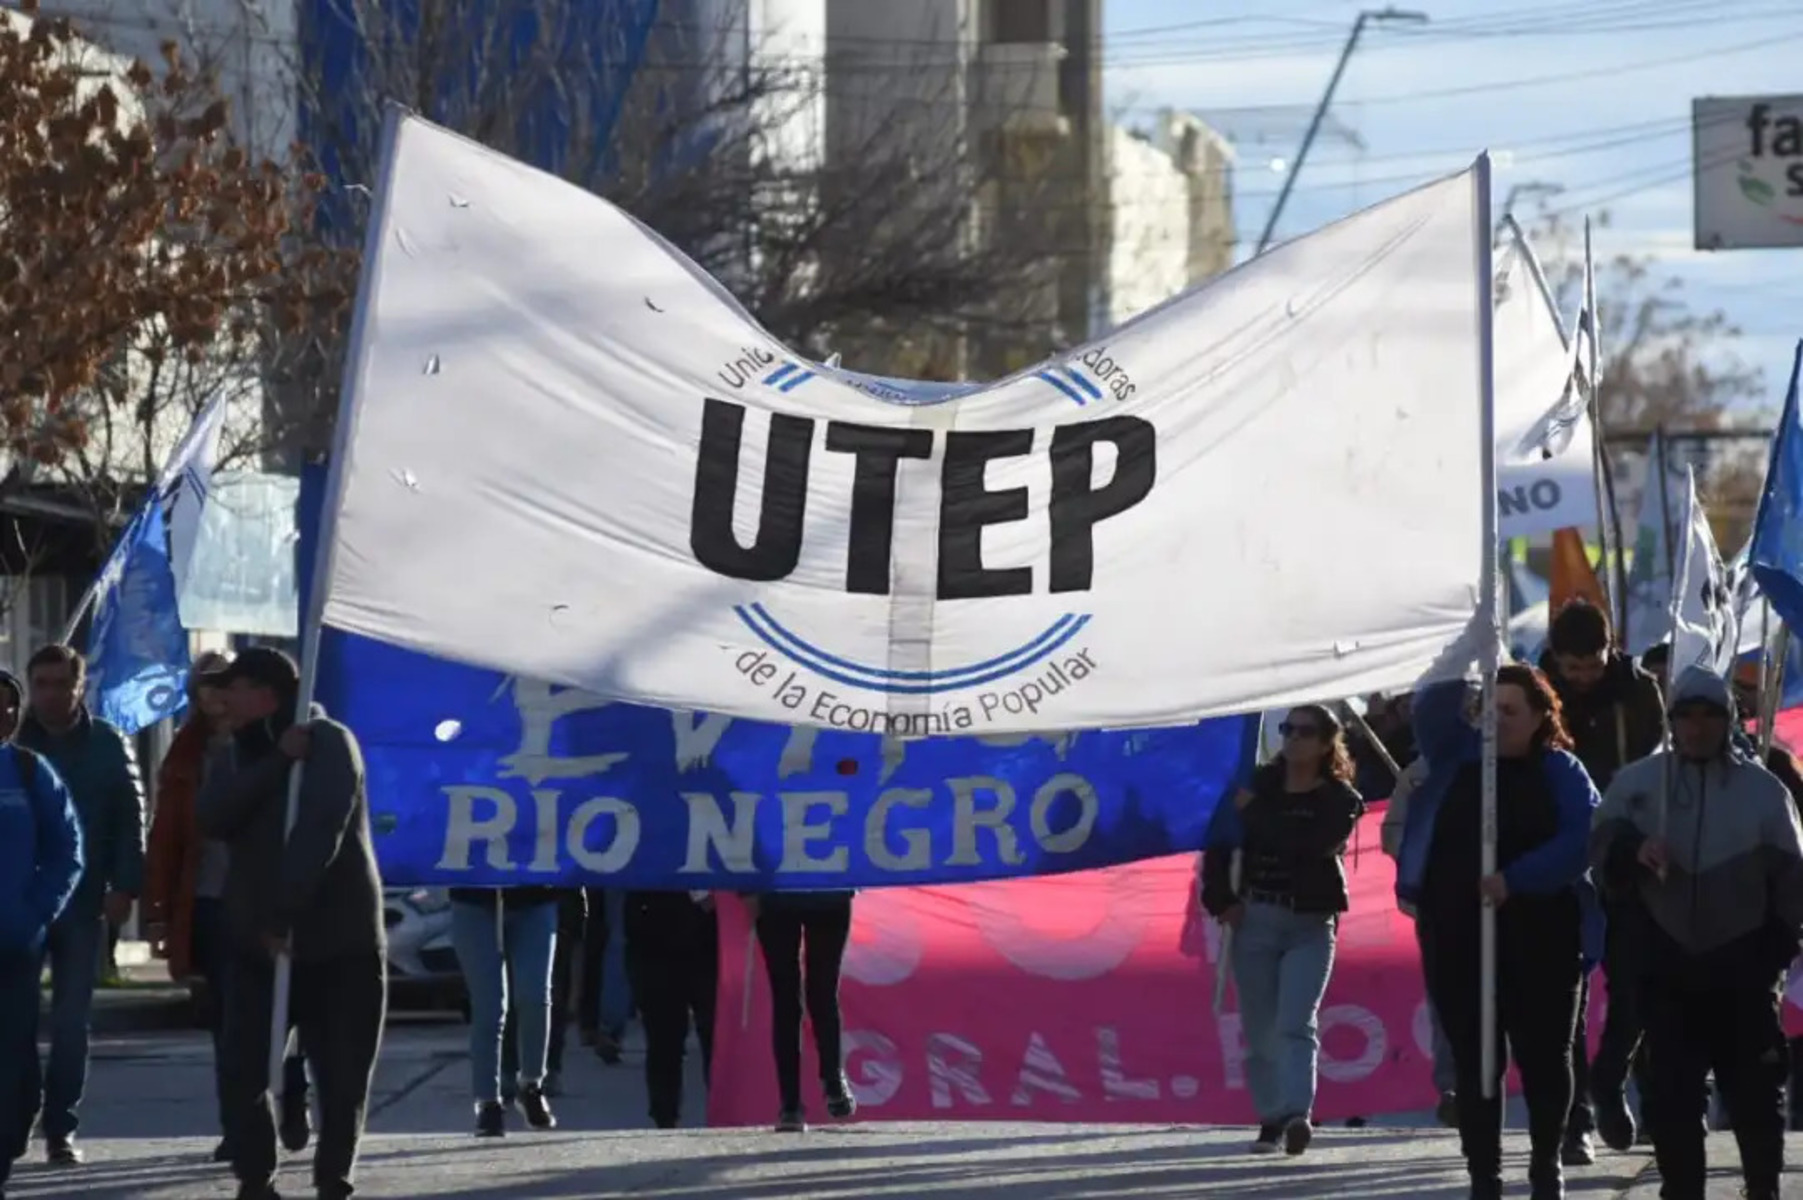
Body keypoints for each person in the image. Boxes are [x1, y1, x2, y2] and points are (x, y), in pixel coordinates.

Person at [1591, 666, 1803, 1200]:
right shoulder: (1638, 784)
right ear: (1672, 720)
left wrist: (1773, 952)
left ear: (1728, 719)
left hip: (1743, 973)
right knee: (1671, 1100)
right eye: (1687, 715)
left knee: (1755, 1098)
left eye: (1710, 715)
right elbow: (1598, 855)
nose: (1698, 727)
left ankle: (1763, 1191)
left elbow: (1794, 882)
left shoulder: (1765, 793)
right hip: (1666, 971)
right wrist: (1632, 851)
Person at [1397, 665, 1599, 1200]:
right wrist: (1464, 646)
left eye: (1511, 710)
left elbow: (1584, 839)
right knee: (1475, 1058)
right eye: (1489, 707)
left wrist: (1516, 879)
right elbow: (1431, 707)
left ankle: (1545, 1164)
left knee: (1545, 1058)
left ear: (1540, 717)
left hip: (1543, 935)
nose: (1497, 719)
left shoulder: (1562, 770)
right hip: (1458, 934)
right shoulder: (1455, 759)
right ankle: (1483, 1173)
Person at [195, 647, 387, 1200]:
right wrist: (276, 760)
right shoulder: (243, 751)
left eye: (232, 686)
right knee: (242, 1068)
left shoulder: (329, 741)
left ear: (266, 693)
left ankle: (334, 1176)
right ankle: (256, 1176)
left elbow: (320, 830)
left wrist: (286, 910)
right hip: (258, 943)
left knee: (342, 1071)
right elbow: (212, 815)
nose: (221, 698)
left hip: (337, 940)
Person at [1202, 704, 1364, 1156]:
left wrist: (1254, 813)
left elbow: (1309, 847)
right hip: (1255, 918)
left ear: (1327, 742)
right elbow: (1219, 846)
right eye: (1287, 729)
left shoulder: (1339, 799)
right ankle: (1270, 1117)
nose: (1293, 738)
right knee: (1259, 1029)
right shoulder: (1252, 785)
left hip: (1310, 923)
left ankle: (1297, 1114)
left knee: (1295, 1021)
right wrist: (1222, 900)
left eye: (1305, 732)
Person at [1539, 599, 1666, 1161]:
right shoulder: (1538, 691)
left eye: (1593, 664)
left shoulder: (1638, 691)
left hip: (1624, 854)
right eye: (1574, 668)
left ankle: (1611, 1079)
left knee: (1636, 984)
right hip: (1563, 856)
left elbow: (1654, 762)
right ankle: (1576, 1119)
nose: (1585, 677)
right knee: (1565, 994)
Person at [16, 644, 144, 1167]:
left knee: (71, 1021)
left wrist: (125, 885)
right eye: (40, 683)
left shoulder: (107, 744)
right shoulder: (14, 743)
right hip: (18, 904)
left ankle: (60, 1127)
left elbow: (129, 816)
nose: (50, 694)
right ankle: (15, 1117)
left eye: (59, 683)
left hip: (82, 900)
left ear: (79, 686)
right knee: (16, 1020)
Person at [0, 669, 83, 1200]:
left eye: (11, 707)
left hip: (12, 945)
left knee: (11, 1059)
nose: (6, 715)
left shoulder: (30, 771)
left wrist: (34, 915)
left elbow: (66, 851)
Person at [1380, 754, 1459, 1128]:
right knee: (1446, 995)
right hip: (1438, 901)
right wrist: (1423, 853)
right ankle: (1453, 1087)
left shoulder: (1508, 759)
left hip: (1504, 898)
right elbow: (1392, 831)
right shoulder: (1419, 773)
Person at [448, 886, 558, 1136]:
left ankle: (531, 1084)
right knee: (489, 1006)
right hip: (473, 899)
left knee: (534, 996)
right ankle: (487, 1102)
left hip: (535, 896)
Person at [750, 889, 857, 1132]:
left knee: (821, 991)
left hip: (828, 892)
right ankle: (791, 1103)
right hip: (780, 893)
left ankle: (830, 1078)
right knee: (788, 997)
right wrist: (748, 888)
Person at [625, 889, 719, 1129]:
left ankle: (720, 1106)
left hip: (706, 928)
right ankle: (664, 1112)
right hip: (653, 924)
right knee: (663, 1031)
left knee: (714, 1030)